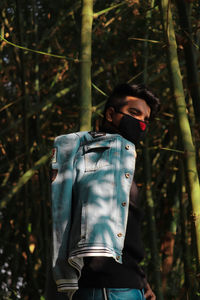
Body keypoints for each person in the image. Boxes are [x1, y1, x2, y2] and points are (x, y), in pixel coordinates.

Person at [51, 83, 160, 300]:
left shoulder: (129, 168)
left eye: (146, 120)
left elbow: (126, 236)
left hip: (131, 285)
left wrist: (142, 282)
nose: (140, 124)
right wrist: (64, 280)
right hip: (101, 286)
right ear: (111, 114)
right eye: (134, 113)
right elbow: (61, 218)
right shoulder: (81, 151)